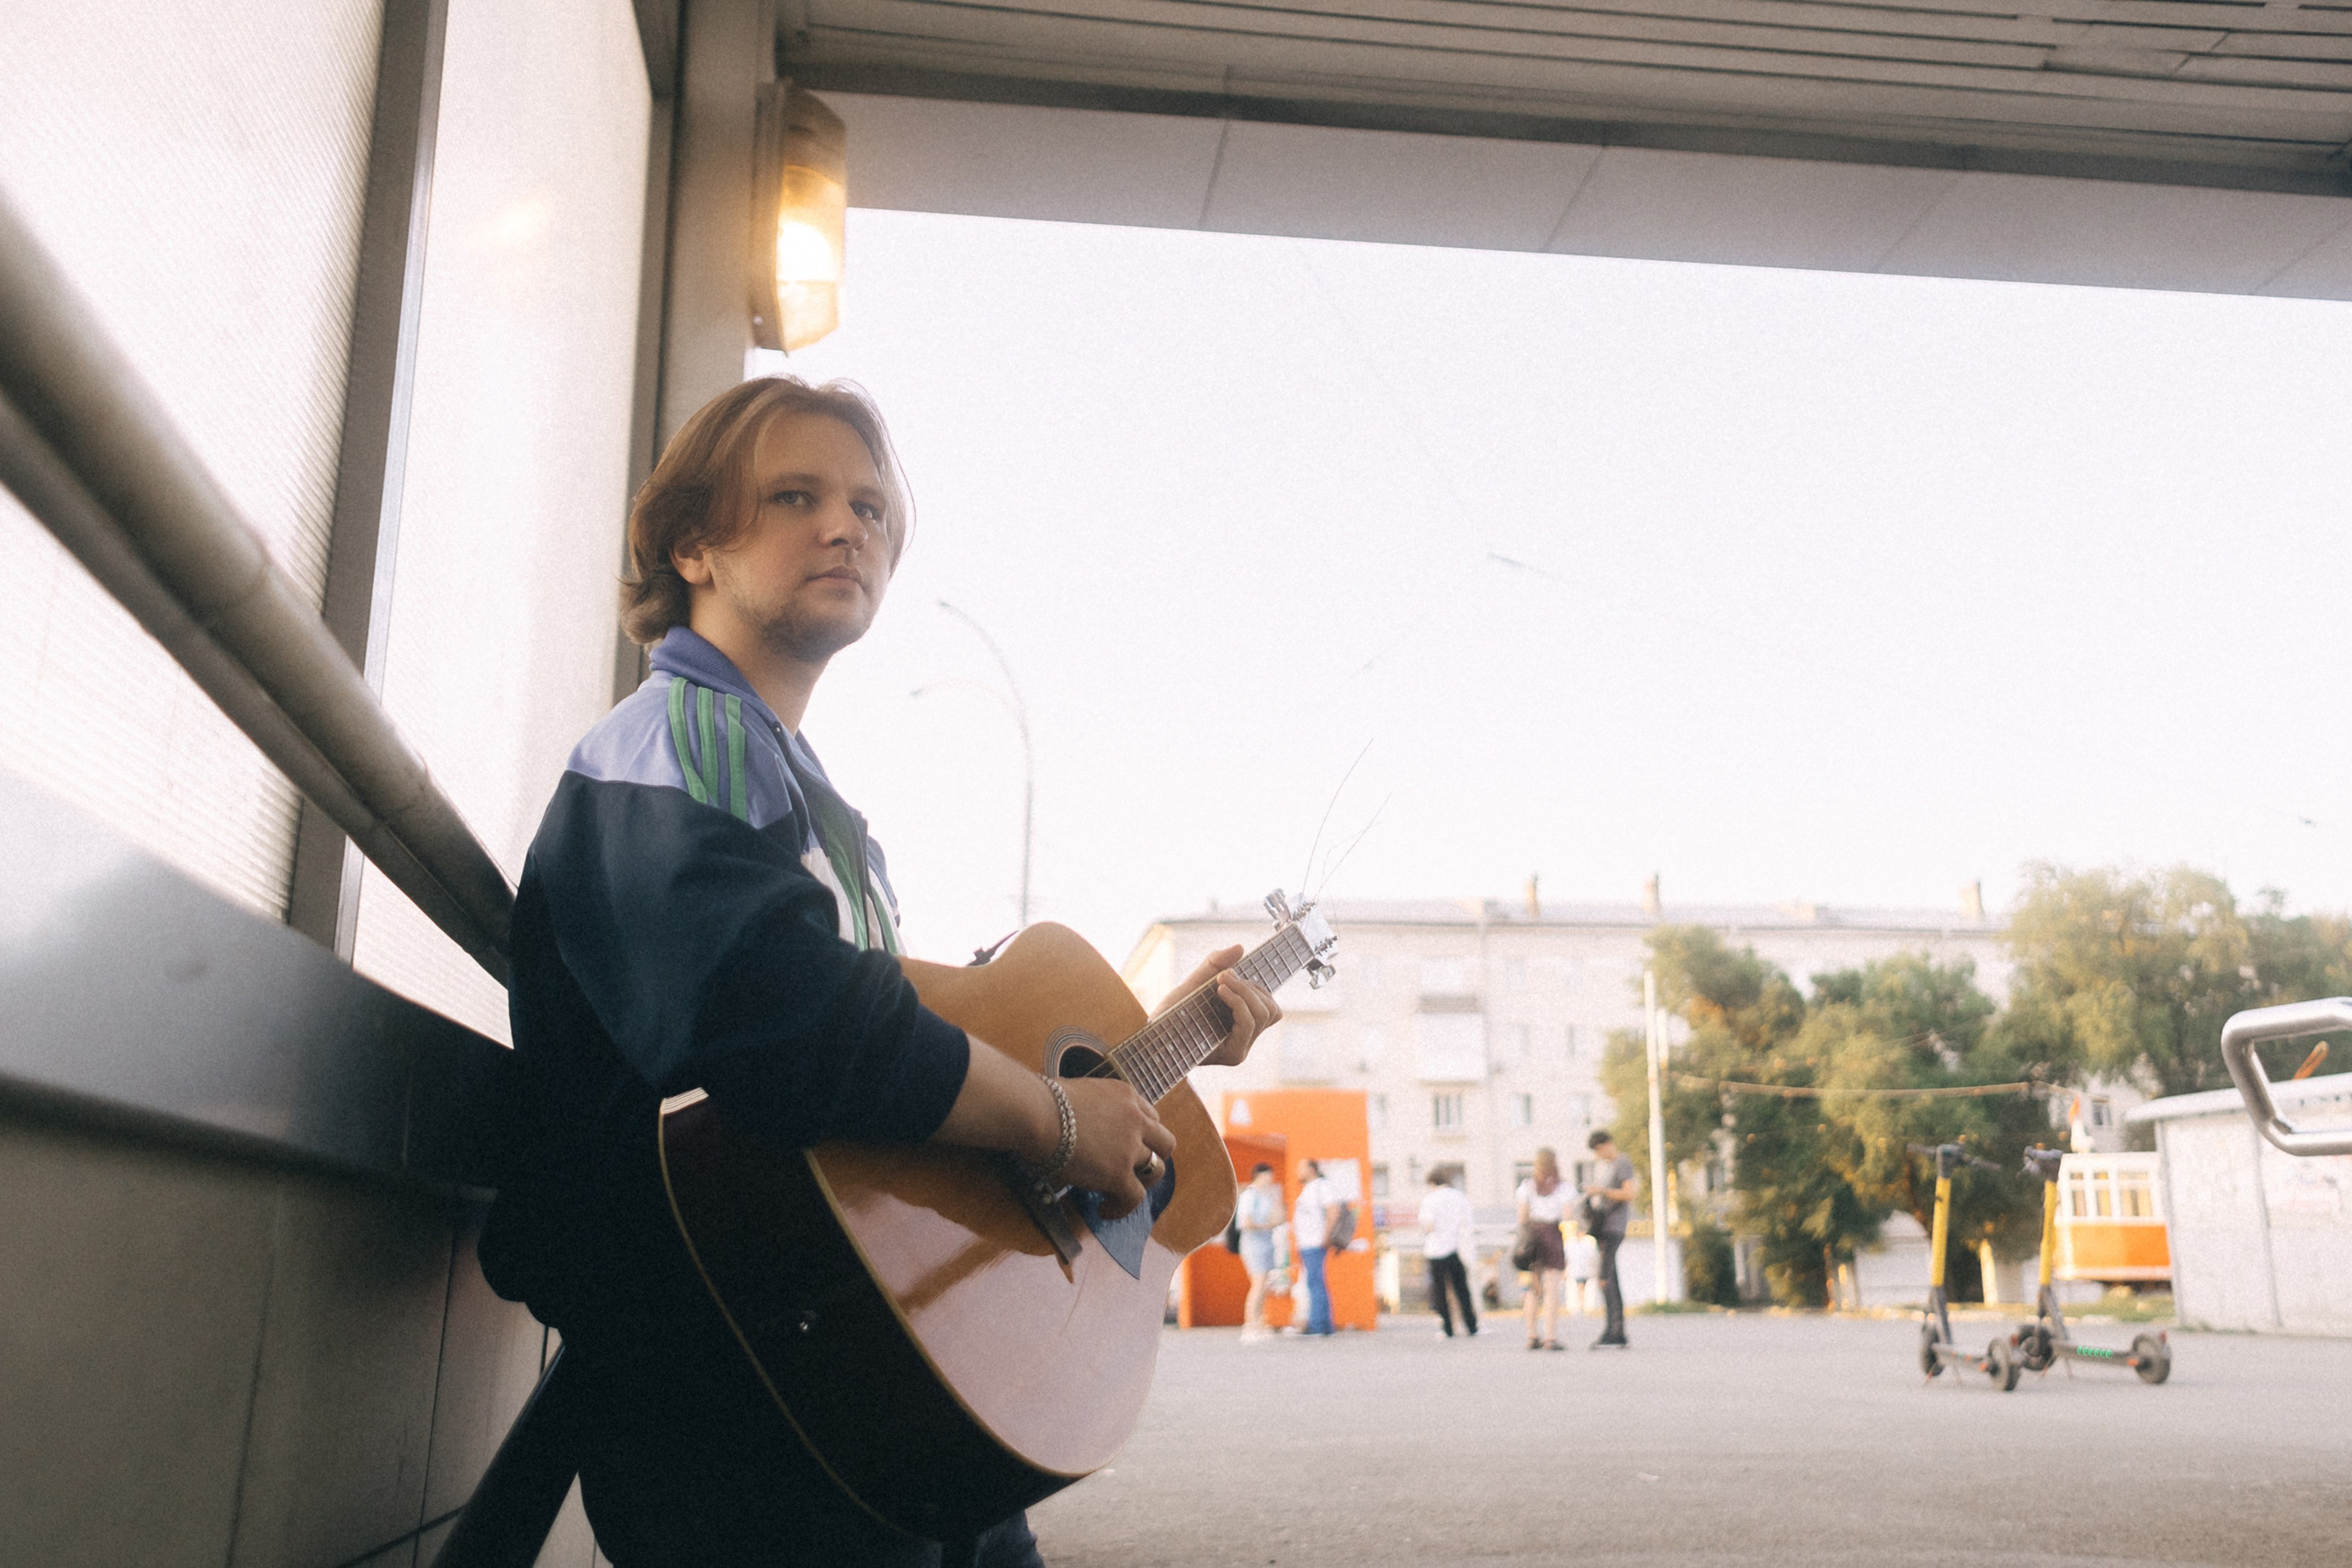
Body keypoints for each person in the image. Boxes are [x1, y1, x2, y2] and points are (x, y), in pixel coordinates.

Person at [476, 376, 1281, 1567]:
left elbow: (895, 1075)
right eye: (794, 496)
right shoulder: (669, 744)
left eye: (868, 505)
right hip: (728, 1377)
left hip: (852, 1353)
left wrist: (1166, 1040)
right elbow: (784, 1017)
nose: (846, 525)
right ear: (693, 542)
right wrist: (1058, 1115)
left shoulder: (822, 807)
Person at [1584, 1129, 1639, 1348]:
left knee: (1605, 1278)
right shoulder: (1611, 1167)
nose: (1599, 1156)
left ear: (1606, 1144)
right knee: (1610, 1279)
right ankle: (1615, 1331)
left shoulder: (1622, 1162)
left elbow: (1630, 1193)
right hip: (1605, 1227)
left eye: (1598, 1150)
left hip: (1614, 1228)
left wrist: (1602, 1191)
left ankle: (1615, 1331)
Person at [1515, 1147, 1572, 1350]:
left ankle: (1532, 1335)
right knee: (1552, 1289)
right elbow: (1567, 1215)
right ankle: (1550, 1337)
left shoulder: (1526, 1187)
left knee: (1533, 1288)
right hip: (1552, 1236)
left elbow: (1522, 1217)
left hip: (1532, 1237)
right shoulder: (1562, 1187)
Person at [1417, 1168, 1477, 1337]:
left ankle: (1448, 1328)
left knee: (1440, 1291)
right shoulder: (1460, 1197)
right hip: (1457, 1249)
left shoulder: (1430, 1200)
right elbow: (1468, 1223)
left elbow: (1428, 1225)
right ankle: (1471, 1326)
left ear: (1432, 1182)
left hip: (1435, 1251)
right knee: (1462, 1290)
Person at [1290, 1156, 1342, 1336]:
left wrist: (1326, 1236)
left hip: (1315, 1242)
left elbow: (1334, 1210)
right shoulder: (1308, 1189)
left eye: (1301, 1168)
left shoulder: (1322, 1186)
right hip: (1306, 1243)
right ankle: (1322, 1324)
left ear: (1312, 1169)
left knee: (1315, 1283)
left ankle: (1319, 1325)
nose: (1298, 1172)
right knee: (1313, 1282)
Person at [1236, 1162, 1285, 1341]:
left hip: (1266, 1243)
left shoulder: (1266, 1196)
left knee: (1263, 1285)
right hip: (1253, 1244)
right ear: (1260, 1175)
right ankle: (1249, 1327)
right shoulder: (1249, 1196)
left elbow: (1279, 1217)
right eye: (1268, 1176)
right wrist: (1266, 1225)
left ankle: (1260, 1324)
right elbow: (1245, 1222)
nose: (1271, 1179)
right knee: (1257, 1284)